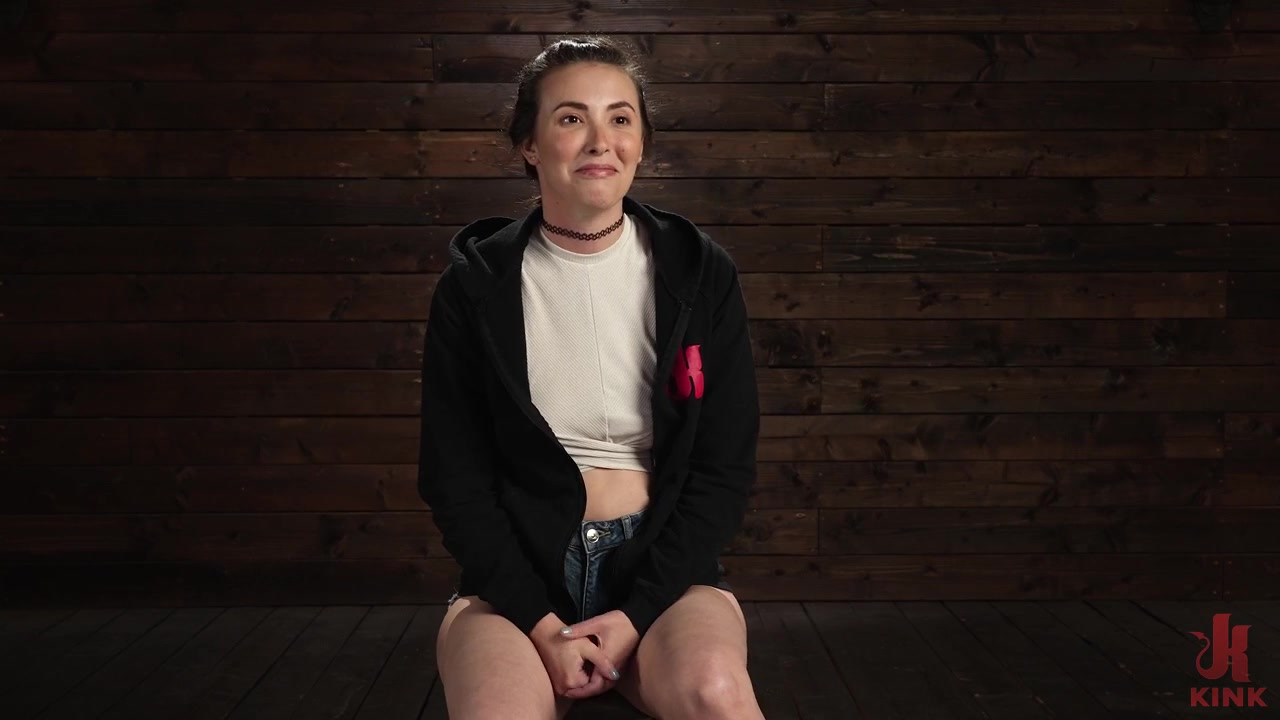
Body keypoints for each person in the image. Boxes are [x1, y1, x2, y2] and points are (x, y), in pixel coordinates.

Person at [417, 35, 765, 720]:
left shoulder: (699, 273)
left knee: (717, 695)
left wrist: (636, 613)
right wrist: (542, 624)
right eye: (572, 118)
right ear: (530, 144)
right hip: (516, 588)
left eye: (620, 118)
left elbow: (723, 471)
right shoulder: (474, 288)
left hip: (662, 579)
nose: (600, 140)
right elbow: (455, 483)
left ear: (641, 140)